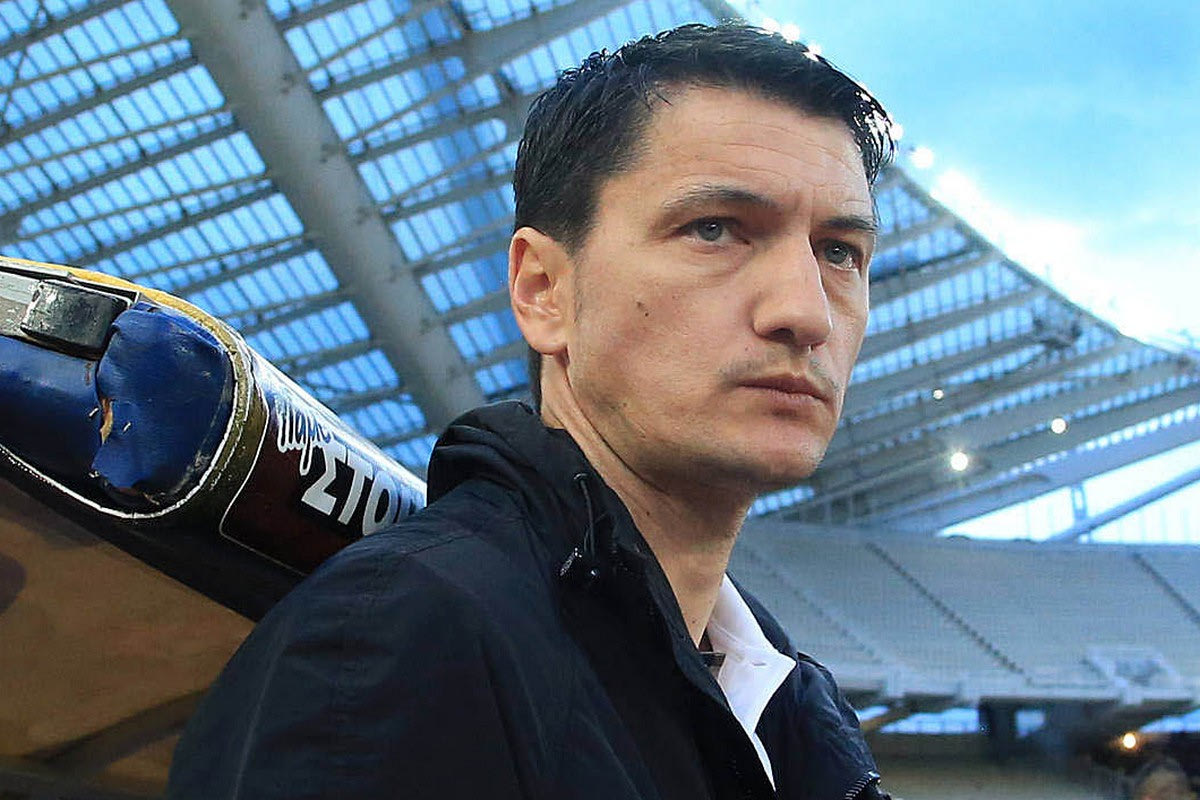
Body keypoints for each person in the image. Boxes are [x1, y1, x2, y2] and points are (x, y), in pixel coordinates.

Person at [167, 22, 894, 800]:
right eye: (714, 230)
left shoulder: (785, 708)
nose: (806, 313)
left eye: (839, 252)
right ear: (543, 291)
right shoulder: (395, 639)